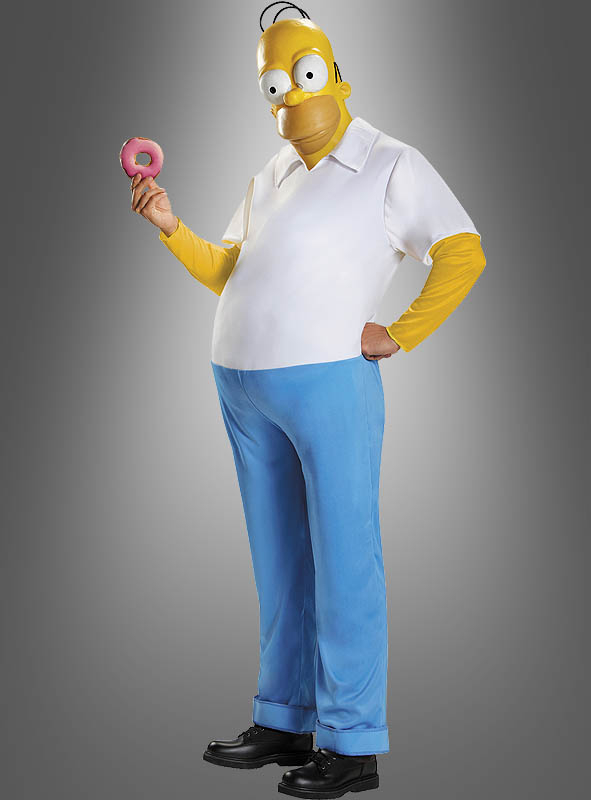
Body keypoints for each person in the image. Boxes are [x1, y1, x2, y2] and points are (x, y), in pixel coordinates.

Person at [128, 9, 486, 798]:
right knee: (280, 562)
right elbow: (228, 269)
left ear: (329, 71)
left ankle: (351, 744)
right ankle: (284, 718)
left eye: (300, 74)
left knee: (345, 561)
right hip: (241, 389)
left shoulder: (389, 162)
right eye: (273, 83)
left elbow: (462, 251)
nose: (289, 94)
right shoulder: (272, 172)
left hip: (328, 385)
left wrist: (400, 333)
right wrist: (170, 227)